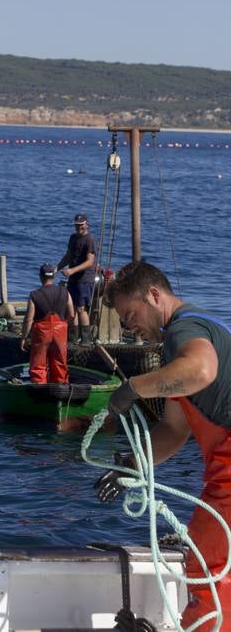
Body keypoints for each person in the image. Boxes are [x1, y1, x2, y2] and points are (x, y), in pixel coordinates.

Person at [95, 261, 231, 630]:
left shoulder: (183, 331)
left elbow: (201, 370)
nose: (128, 327)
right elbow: (174, 428)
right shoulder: (192, 336)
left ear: (155, 296)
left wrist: (134, 387)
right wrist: (133, 465)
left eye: (131, 314)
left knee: (207, 564)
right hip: (222, 468)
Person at [20, 264, 75, 384]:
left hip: (41, 332)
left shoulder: (34, 295)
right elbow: (71, 315)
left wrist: (24, 337)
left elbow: (29, 318)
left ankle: (40, 391)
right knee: (60, 364)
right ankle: (60, 391)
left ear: (40, 276)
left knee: (38, 365)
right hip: (60, 331)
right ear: (54, 276)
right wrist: (64, 325)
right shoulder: (65, 292)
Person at [56, 212, 97, 344]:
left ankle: (86, 340)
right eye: (77, 225)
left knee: (81, 308)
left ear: (86, 224)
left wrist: (72, 270)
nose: (79, 227)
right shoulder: (73, 238)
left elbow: (90, 261)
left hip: (85, 279)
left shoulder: (90, 240)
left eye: (81, 225)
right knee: (71, 307)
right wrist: (57, 267)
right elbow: (68, 255)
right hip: (73, 278)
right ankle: (73, 338)